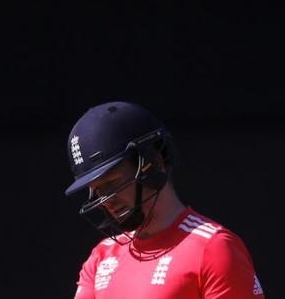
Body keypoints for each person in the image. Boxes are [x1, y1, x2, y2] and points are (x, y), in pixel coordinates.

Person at [64, 101, 265, 299]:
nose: (105, 200)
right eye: (96, 190)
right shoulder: (101, 257)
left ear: (154, 163)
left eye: (111, 183)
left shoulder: (212, 248)